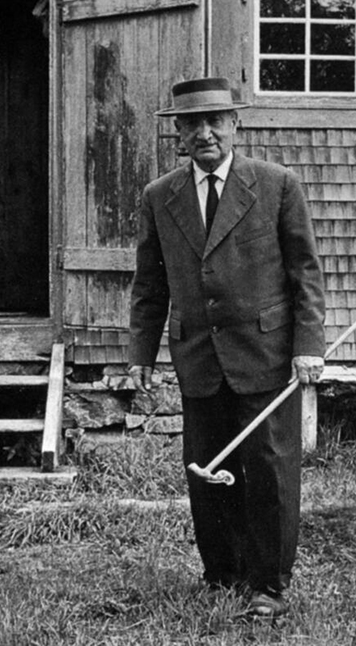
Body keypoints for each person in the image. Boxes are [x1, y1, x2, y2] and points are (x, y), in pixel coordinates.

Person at [128, 77, 326, 619]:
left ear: (236, 125)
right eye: (193, 123)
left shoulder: (275, 184)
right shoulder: (159, 196)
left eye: (216, 120)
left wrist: (308, 345)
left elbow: (304, 272)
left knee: (268, 470)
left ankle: (269, 584)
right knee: (207, 469)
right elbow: (150, 284)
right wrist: (140, 355)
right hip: (198, 356)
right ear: (178, 132)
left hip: (264, 353)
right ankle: (222, 572)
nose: (205, 132)